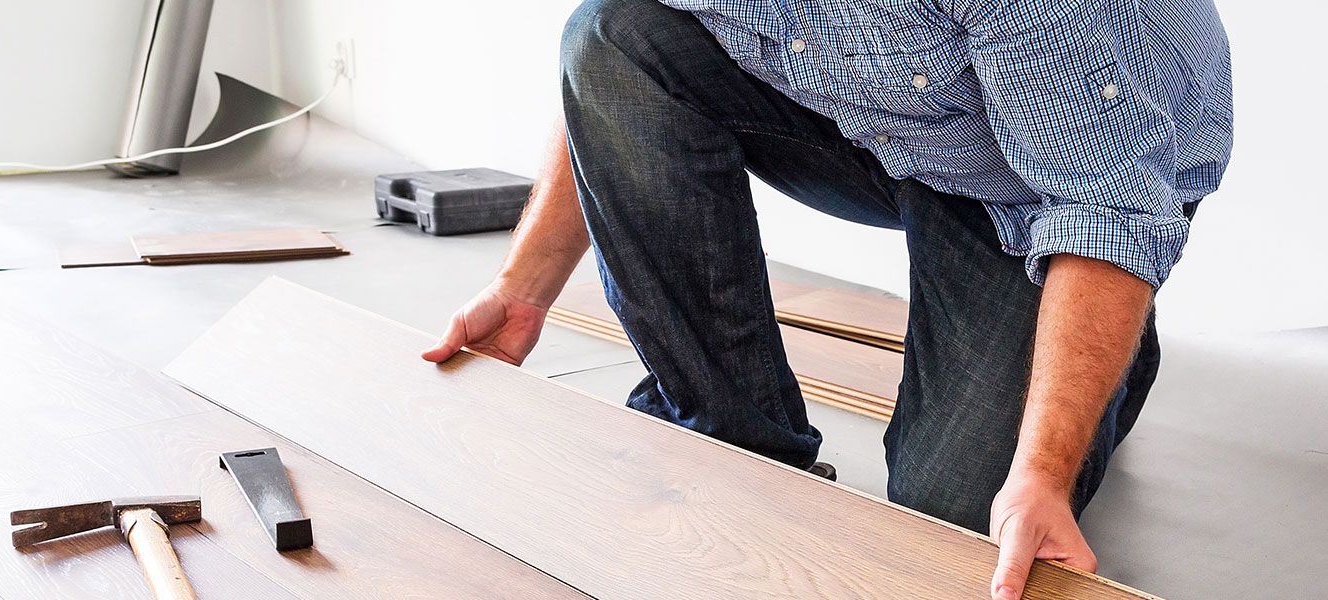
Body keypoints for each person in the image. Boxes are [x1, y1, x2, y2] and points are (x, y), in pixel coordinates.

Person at [423, 0, 1231, 597]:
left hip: (1047, 182)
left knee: (949, 517)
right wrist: (520, 289)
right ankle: (738, 439)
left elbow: (1107, 210)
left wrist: (1041, 472)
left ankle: (1111, 351)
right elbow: (609, 66)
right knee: (610, 34)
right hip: (889, 113)